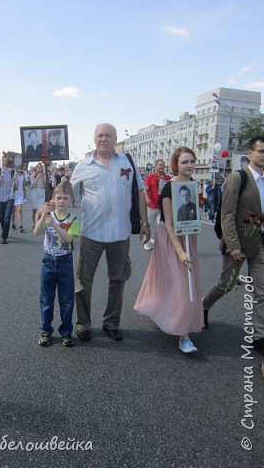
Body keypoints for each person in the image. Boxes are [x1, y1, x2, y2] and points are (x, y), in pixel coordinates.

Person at [70, 123, 150, 342]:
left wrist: (145, 222)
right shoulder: (83, 166)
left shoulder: (127, 162)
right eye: (100, 135)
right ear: (94, 139)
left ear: (115, 139)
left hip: (120, 233)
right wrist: (51, 209)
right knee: (83, 281)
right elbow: (67, 194)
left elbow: (140, 192)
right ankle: (83, 323)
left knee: (118, 280)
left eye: (108, 135)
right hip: (91, 234)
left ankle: (111, 322)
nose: (104, 139)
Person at [203, 136, 264, 356]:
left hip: (260, 243)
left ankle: (260, 336)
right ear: (250, 153)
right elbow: (227, 214)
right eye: (262, 151)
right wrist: (233, 245)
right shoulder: (237, 178)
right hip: (238, 244)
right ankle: (203, 306)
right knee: (226, 284)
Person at [134, 147, 203, 353]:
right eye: (184, 162)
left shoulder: (192, 184)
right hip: (169, 240)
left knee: (185, 283)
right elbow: (169, 224)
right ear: (176, 165)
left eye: (191, 161)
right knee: (180, 283)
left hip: (188, 237)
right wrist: (180, 252)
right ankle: (183, 335)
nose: (189, 165)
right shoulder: (168, 188)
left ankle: (173, 317)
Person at [34, 181, 80, 347]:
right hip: (48, 261)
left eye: (65, 198)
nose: (61, 201)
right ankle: (46, 331)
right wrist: (43, 216)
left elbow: (68, 239)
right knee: (46, 299)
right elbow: (36, 232)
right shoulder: (48, 216)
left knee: (66, 300)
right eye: (58, 198)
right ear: (53, 199)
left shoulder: (74, 219)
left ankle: (66, 333)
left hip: (65, 263)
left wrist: (53, 224)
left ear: (71, 200)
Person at [143, 159, 171, 250]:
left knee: (161, 225)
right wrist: (147, 198)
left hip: (163, 206)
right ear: (155, 166)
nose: (162, 166)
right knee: (149, 224)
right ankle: (146, 242)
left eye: (163, 165)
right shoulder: (151, 177)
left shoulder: (168, 178)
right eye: (160, 165)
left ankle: (161, 243)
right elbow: (145, 189)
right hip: (152, 205)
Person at [0, 153, 18, 244]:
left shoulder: (13, 172)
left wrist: (13, 181)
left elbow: (16, 188)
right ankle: (5, 228)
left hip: (10, 197)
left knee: (7, 217)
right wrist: (0, 179)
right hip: (0, 198)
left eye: (6, 161)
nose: (4, 163)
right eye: (3, 161)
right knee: (1, 217)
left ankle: (4, 237)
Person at [29, 163, 46, 229]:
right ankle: (34, 223)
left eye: (40, 168)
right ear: (36, 168)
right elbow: (33, 185)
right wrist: (38, 177)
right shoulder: (33, 175)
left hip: (41, 193)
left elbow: (45, 186)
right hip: (34, 193)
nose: (39, 169)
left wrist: (43, 179)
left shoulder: (44, 175)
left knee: (41, 210)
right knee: (34, 210)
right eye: (38, 168)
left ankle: (38, 224)